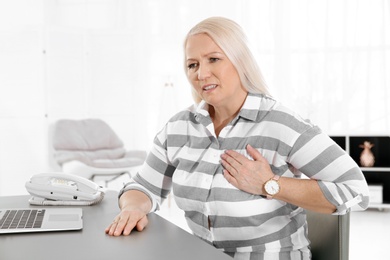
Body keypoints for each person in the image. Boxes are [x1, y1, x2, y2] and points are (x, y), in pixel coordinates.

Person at [105, 17, 369, 259]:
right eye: (192, 64)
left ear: (240, 60)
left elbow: (356, 191)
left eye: (214, 59)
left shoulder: (280, 124)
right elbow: (143, 186)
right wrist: (133, 207)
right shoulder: (178, 128)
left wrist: (269, 184)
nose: (201, 73)